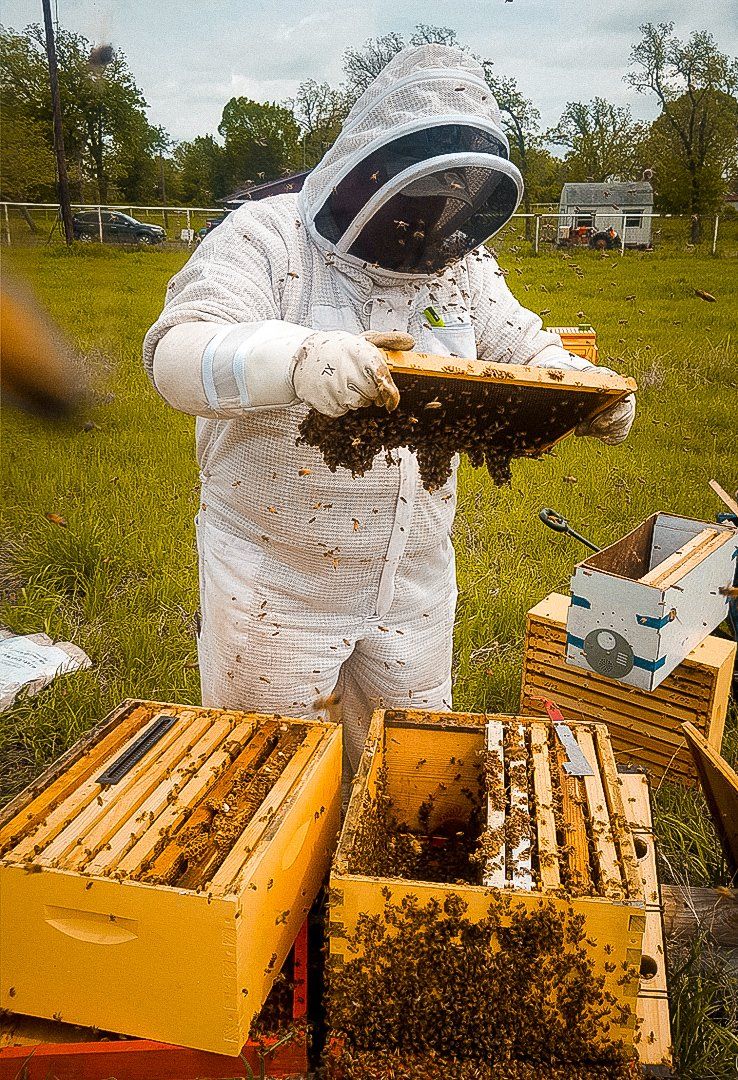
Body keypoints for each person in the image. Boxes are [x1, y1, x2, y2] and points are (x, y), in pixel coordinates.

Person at [143, 44, 635, 783]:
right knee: (272, 787)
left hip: (413, 581)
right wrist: (297, 359)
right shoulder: (267, 239)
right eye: (414, 195)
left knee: (410, 777)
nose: (425, 222)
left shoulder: (456, 265)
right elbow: (176, 354)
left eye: (445, 196)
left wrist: (581, 386)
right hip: (275, 584)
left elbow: (522, 344)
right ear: (365, 170)